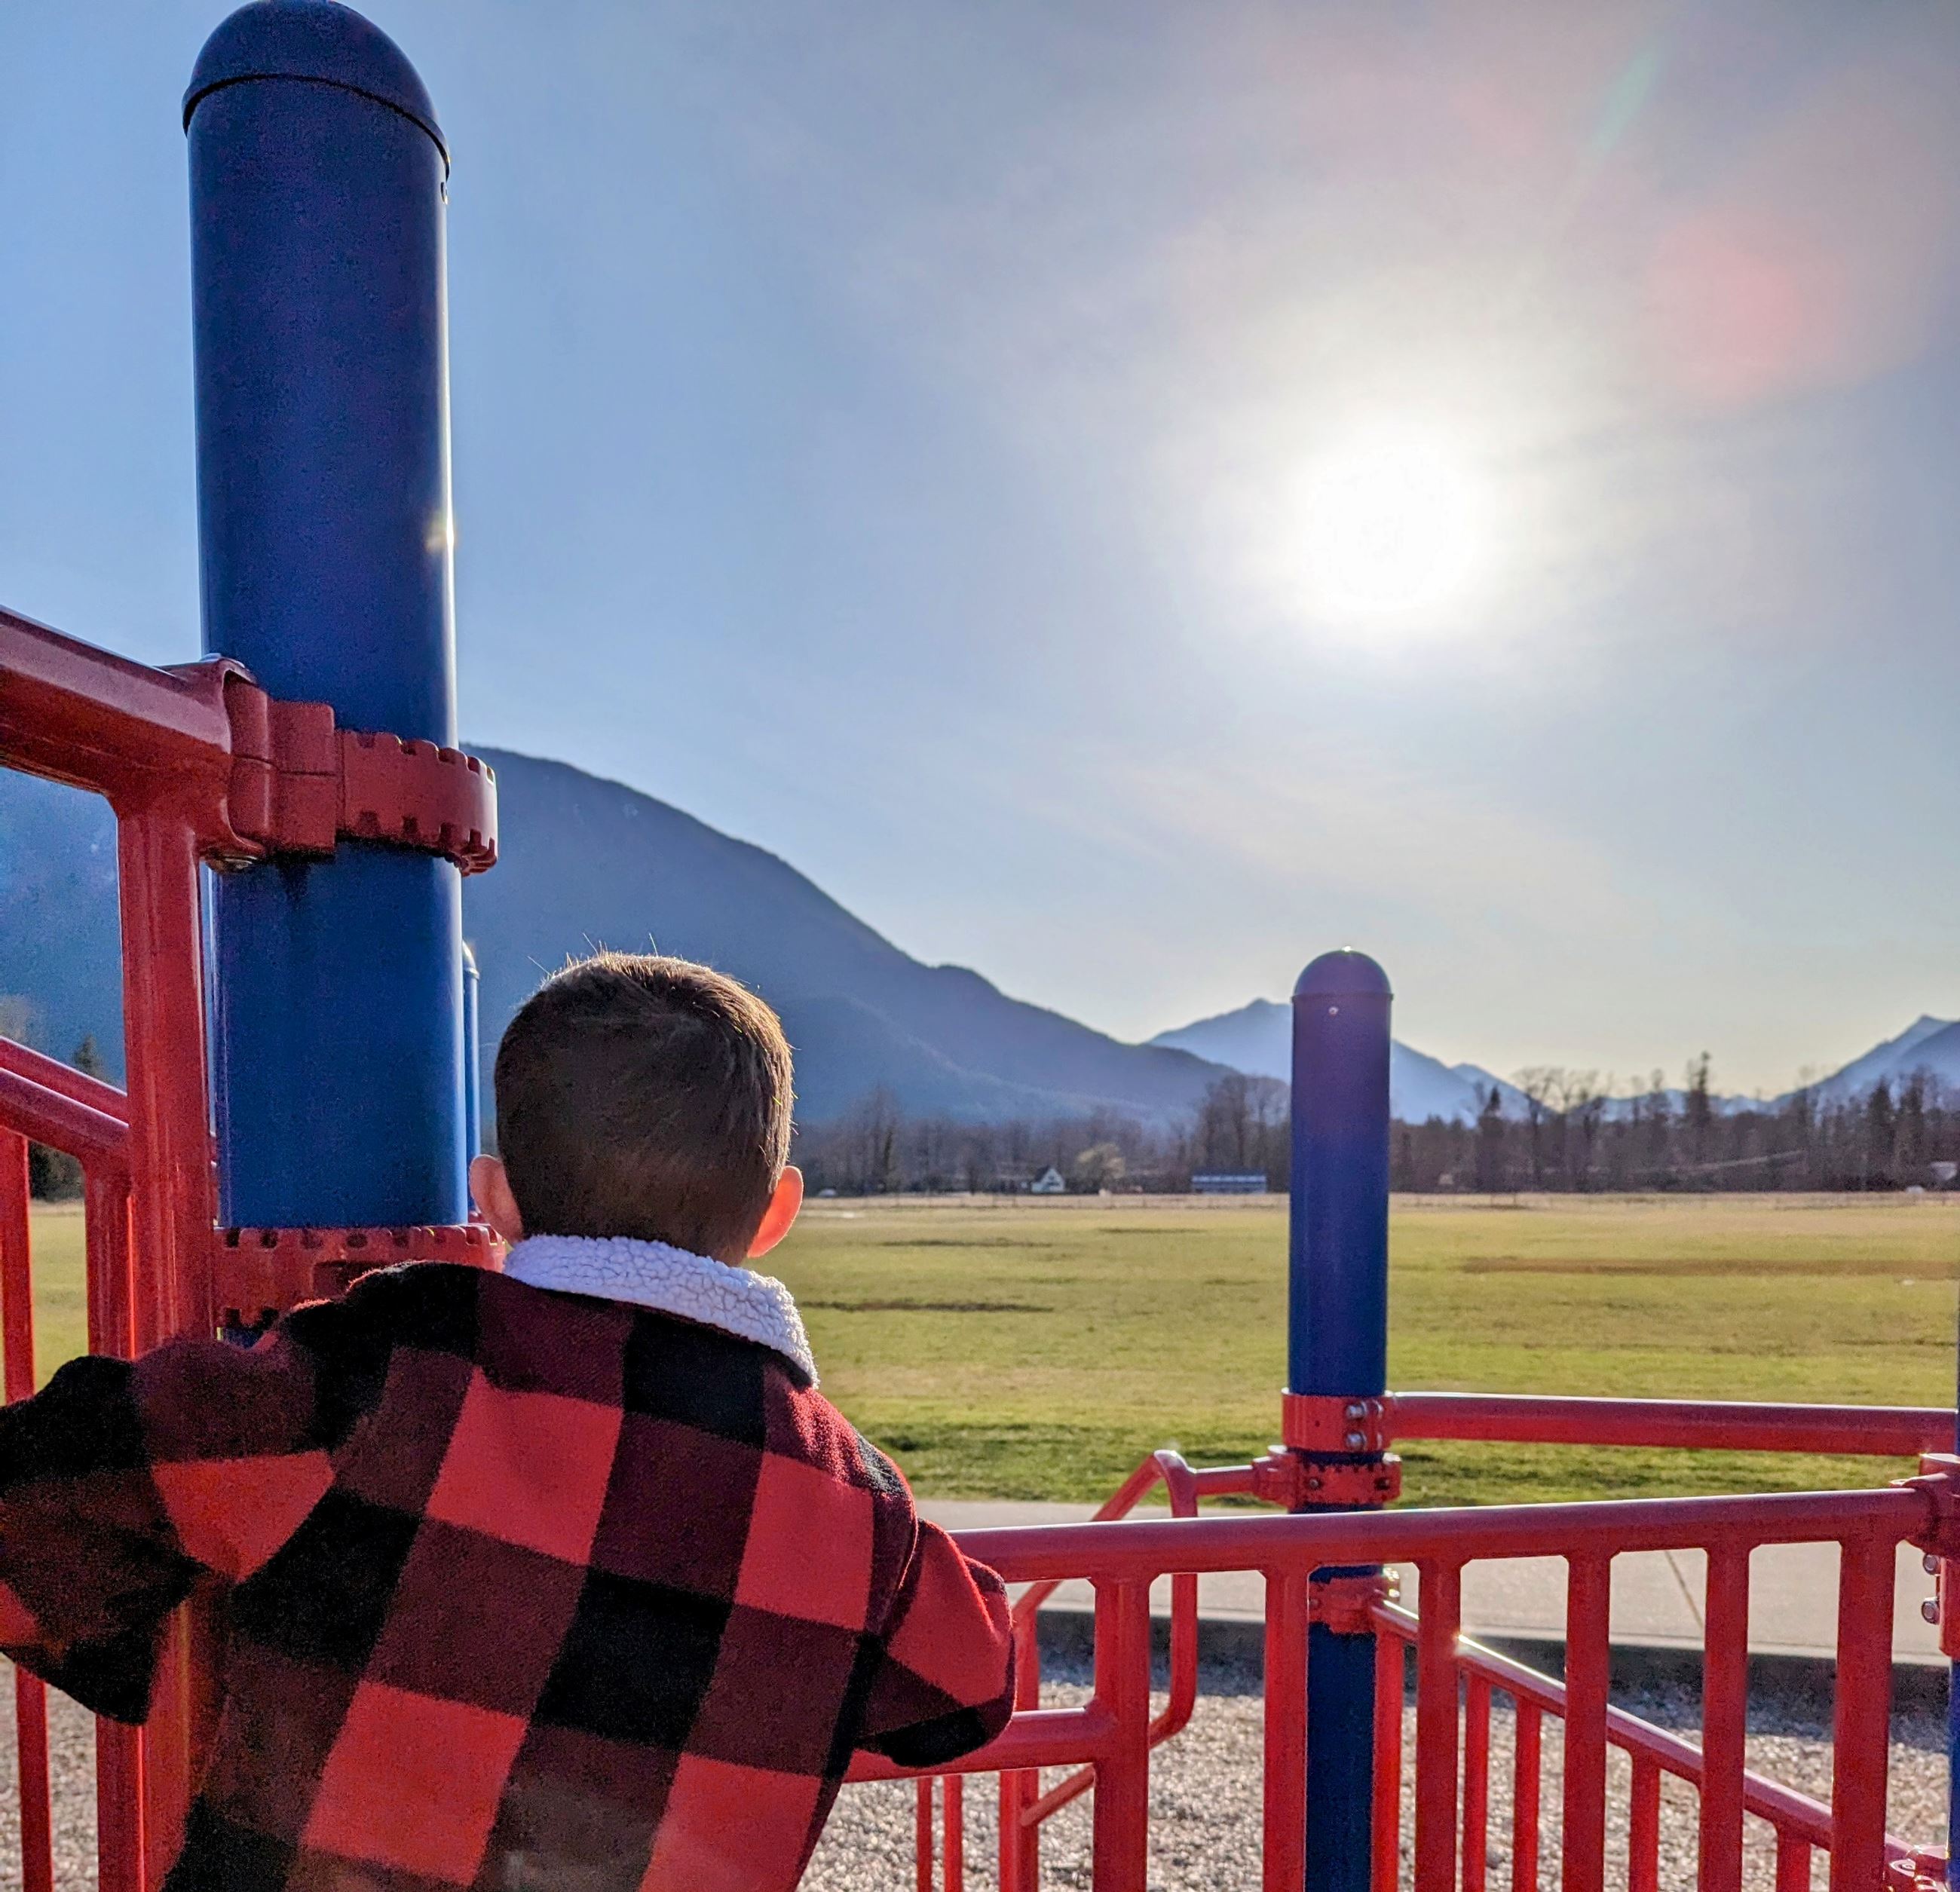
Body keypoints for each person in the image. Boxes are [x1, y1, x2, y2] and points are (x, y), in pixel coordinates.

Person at [0, 952, 1015, 1891]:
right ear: (774, 1215)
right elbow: (972, 1683)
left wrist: (172, 1648)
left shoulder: (387, 1370)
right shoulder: (849, 1497)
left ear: (495, 1199)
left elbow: (43, 1487)